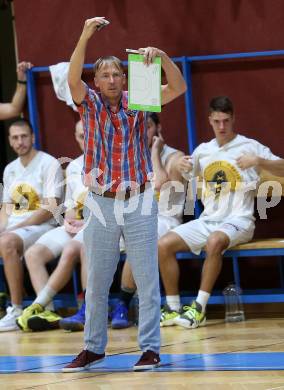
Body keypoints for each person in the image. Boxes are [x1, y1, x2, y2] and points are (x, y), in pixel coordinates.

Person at [63, 16, 187, 372]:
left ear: (124, 77)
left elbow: (178, 88)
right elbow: (73, 77)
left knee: (147, 278)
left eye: (117, 73)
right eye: (104, 75)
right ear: (97, 82)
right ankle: (93, 348)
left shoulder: (141, 99)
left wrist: (161, 57)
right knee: (97, 280)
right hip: (101, 201)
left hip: (139, 198)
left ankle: (150, 348)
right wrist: (85, 33)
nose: (112, 79)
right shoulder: (88, 103)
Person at [158, 95, 284, 329]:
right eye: (217, 121)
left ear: (234, 118)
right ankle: (173, 308)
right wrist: (182, 166)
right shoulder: (203, 151)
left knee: (215, 241)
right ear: (210, 121)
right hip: (209, 219)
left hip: (240, 220)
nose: (222, 126)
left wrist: (259, 161)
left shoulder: (250, 146)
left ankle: (199, 308)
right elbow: (186, 175)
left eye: (226, 120)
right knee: (163, 244)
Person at [111, 112, 186, 329]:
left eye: (148, 126)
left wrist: (155, 152)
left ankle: (122, 304)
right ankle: (88, 307)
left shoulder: (174, 156)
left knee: (140, 237)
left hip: (166, 219)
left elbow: (161, 183)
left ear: (158, 128)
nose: (143, 131)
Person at [16, 120, 88, 332]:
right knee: (33, 254)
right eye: (80, 136)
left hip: (103, 226)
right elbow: (72, 207)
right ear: (76, 138)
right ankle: (47, 312)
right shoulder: (74, 166)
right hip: (80, 226)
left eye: (88, 134)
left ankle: (86, 310)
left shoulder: (112, 162)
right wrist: (71, 220)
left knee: (72, 249)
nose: (85, 140)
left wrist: (86, 223)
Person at [0, 119, 64, 331]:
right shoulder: (10, 169)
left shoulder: (49, 163)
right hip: (16, 230)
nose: (20, 141)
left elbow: (49, 208)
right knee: (5, 239)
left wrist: (13, 230)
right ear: (9, 141)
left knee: (7, 242)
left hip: (43, 227)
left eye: (24, 136)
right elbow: (6, 209)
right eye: (15, 138)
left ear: (33, 137)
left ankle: (16, 308)